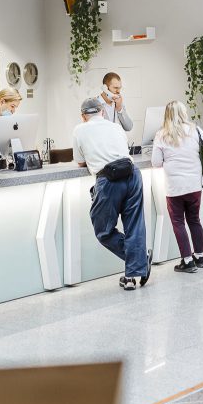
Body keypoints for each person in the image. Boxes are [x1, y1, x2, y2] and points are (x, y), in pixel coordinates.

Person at [72, 97, 152, 290]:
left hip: (108, 180)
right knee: (134, 225)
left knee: (103, 231)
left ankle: (137, 267)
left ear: (83, 116)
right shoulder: (116, 127)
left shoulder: (79, 130)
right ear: (102, 112)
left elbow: (80, 162)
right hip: (132, 174)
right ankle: (135, 268)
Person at [151, 101, 203, 273]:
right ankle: (199, 257)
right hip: (194, 185)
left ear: (167, 115)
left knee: (178, 222)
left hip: (175, 188)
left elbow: (156, 162)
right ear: (184, 113)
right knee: (194, 220)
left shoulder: (161, 134)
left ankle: (187, 261)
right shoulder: (195, 130)